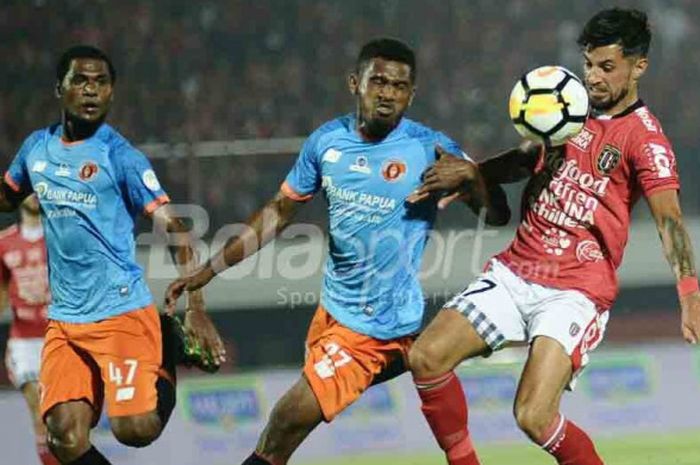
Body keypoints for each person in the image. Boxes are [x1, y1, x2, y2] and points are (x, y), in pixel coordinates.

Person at [165, 37, 506, 465]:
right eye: (377, 81)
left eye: (399, 86)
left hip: (370, 330)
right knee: (288, 429)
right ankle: (424, 361)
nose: (387, 93)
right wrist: (210, 270)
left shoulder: (431, 147)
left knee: (284, 423)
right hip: (333, 314)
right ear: (354, 82)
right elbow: (278, 212)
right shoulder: (326, 143)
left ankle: (422, 358)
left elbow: (494, 214)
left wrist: (473, 177)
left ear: (411, 94)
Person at [405, 8, 700, 465]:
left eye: (607, 67)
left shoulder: (646, 140)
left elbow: (670, 221)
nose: (593, 77)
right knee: (425, 358)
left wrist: (690, 293)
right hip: (516, 271)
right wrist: (473, 174)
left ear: (638, 66)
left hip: (576, 291)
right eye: (588, 64)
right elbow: (529, 156)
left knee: (533, 416)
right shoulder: (567, 109)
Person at [0, 45, 225, 465]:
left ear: (111, 93)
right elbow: (8, 197)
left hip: (120, 313)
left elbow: (176, 228)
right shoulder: (35, 149)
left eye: (101, 83)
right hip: (65, 321)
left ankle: (166, 346)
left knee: (134, 432)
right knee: (63, 437)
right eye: (81, 81)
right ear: (59, 88)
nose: (91, 91)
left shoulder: (120, 157)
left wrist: (195, 305)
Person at [0, 195, 58, 465]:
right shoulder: (4, 243)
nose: (33, 194)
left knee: (62, 416)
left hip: (58, 336)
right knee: (39, 409)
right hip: (24, 341)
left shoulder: (57, 237)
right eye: (27, 188)